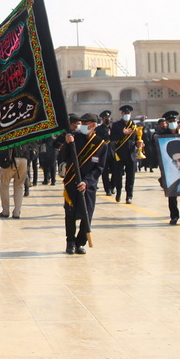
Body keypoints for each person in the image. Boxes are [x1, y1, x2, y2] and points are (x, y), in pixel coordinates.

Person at [60, 113, 106, 255]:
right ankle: (70, 242)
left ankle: (81, 242)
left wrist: (86, 182)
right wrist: (67, 144)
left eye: (86, 124)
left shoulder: (101, 145)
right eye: (82, 123)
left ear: (93, 125)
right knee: (70, 214)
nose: (82, 126)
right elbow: (63, 157)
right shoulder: (74, 138)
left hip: (88, 185)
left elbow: (99, 168)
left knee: (87, 215)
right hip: (71, 182)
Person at [108, 105, 141, 203]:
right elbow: (112, 138)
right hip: (119, 153)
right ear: (121, 114)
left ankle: (129, 196)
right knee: (118, 175)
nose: (126, 115)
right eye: (125, 113)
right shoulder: (116, 125)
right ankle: (118, 192)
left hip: (131, 153)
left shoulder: (134, 125)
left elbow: (136, 139)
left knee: (131, 176)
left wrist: (139, 143)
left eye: (128, 113)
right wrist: (123, 133)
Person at [0, 142, 30, 219]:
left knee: (4, 185)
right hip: (24, 159)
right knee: (19, 187)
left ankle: (5, 211)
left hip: (10, 159)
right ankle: (17, 212)